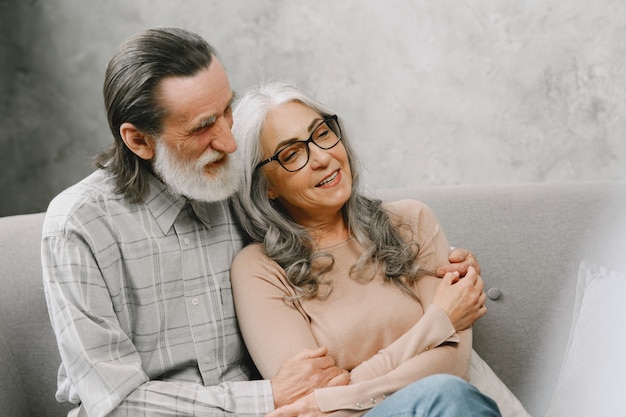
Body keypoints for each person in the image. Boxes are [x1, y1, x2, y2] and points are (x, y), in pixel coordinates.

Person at [41, 27, 482, 417]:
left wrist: (444, 273)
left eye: (228, 110)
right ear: (139, 140)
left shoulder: (239, 187)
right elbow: (113, 402)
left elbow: (337, 225)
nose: (230, 141)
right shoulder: (79, 226)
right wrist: (268, 396)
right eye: (203, 127)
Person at [229, 81, 500, 417]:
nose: (323, 158)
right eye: (292, 154)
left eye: (322, 134)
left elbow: (453, 363)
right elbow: (310, 401)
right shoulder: (259, 268)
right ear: (267, 186)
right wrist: (437, 323)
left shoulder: (412, 221)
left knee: (446, 392)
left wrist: (346, 390)